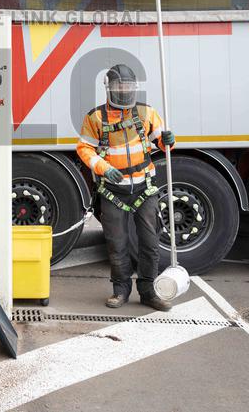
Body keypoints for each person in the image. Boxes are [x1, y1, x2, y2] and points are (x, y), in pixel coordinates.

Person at [76, 64, 176, 311]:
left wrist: (168, 142)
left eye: (128, 86)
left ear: (134, 88)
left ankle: (148, 291)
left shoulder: (146, 113)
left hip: (144, 187)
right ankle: (120, 291)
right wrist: (102, 167)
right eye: (119, 86)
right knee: (117, 243)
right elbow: (84, 148)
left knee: (150, 242)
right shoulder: (95, 118)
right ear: (109, 88)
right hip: (113, 189)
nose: (124, 90)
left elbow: (161, 144)